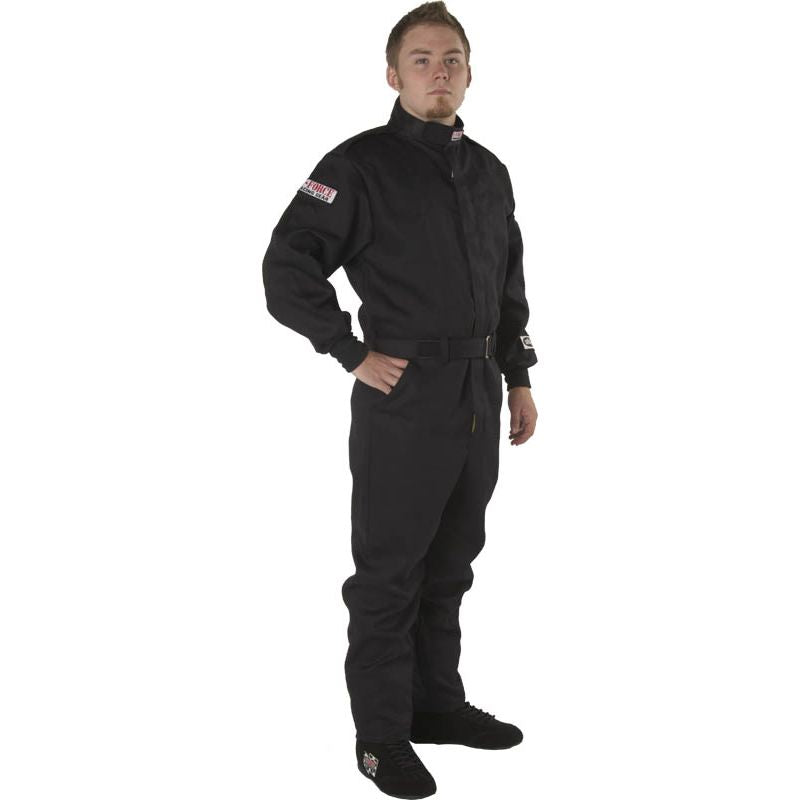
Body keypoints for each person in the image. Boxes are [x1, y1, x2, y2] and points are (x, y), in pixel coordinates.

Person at [262, 3, 538, 796]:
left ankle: (436, 706)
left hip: (479, 392)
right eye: (421, 60)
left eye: (452, 59)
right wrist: (349, 351)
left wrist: (519, 375)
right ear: (393, 74)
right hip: (406, 396)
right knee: (390, 574)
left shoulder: (489, 172)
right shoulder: (358, 167)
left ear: (470, 73)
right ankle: (381, 738)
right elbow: (287, 267)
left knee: (451, 562)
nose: (438, 72)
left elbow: (507, 284)